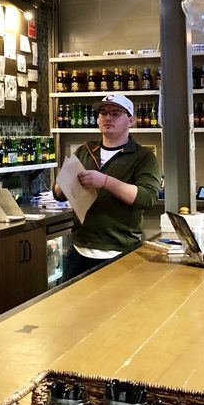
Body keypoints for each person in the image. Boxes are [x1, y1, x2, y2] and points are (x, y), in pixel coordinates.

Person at [52, 94, 161, 280]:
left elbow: (147, 197)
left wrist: (105, 181)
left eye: (115, 113)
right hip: (78, 250)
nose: (108, 118)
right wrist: (64, 184)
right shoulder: (85, 150)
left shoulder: (143, 156)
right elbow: (57, 194)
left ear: (131, 120)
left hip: (119, 252)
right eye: (103, 113)